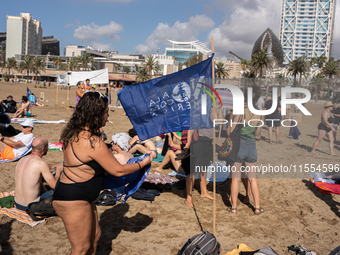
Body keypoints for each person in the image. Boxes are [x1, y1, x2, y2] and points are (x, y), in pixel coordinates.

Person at [53, 92, 152, 255]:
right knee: (80, 248)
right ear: (96, 114)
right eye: (106, 111)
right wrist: (143, 162)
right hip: (73, 198)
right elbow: (118, 170)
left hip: (81, 196)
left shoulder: (73, 133)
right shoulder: (93, 142)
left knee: (95, 237)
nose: (107, 115)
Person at [228, 100, 264, 215]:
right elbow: (257, 135)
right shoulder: (260, 114)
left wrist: (230, 119)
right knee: (253, 178)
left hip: (239, 146)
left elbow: (230, 131)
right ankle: (257, 208)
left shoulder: (240, 112)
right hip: (252, 146)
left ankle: (233, 208)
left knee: (235, 179)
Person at [14, 137, 57, 211]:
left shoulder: (22, 160)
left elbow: (36, 181)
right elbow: (54, 186)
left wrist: (46, 191)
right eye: (47, 147)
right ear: (43, 149)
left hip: (18, 203)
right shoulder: (41, 163)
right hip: (31, 205)